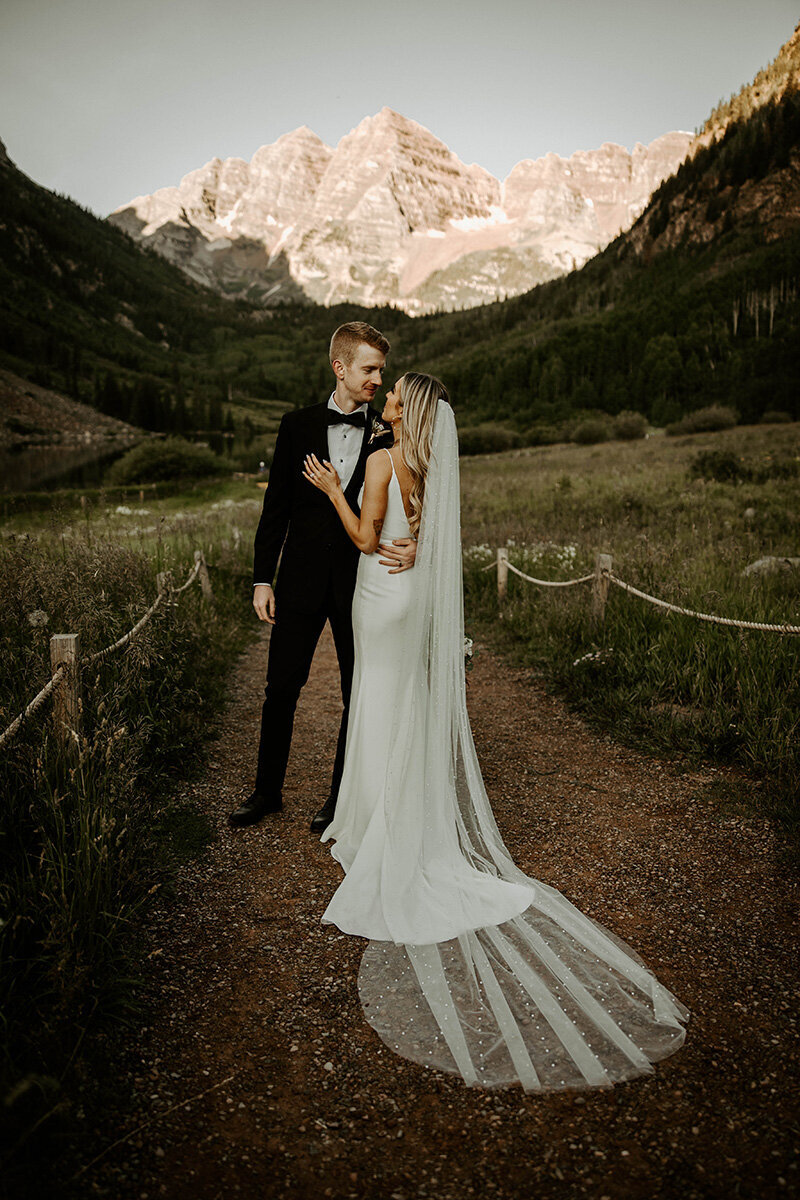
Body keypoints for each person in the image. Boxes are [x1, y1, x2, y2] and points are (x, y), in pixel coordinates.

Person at [301, 372, 689, 1093]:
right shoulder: (426, 464)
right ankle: (383, 810)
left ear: (405, 410)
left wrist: (331, 489)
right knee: (397, 703)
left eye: (391, 397)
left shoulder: (385, 460)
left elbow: (363, 537)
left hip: (379, 600)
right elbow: (417, 537)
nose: (383, 398)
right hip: (408, 596)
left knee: (376, 699)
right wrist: (409, 545)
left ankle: (372, 824)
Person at [229, 322, 417, 832]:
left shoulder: (388, 430)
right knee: (281, 686)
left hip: (364, 582)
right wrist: (262, 579)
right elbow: (276, 510)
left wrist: (418, 540)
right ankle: (266, 792)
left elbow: (413, 498)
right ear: (340, 367)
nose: (379, 378)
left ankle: (340, 799)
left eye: (382, 369)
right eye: (369, 368)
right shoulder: (296, 425)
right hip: (299, 580)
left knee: (359, 690)